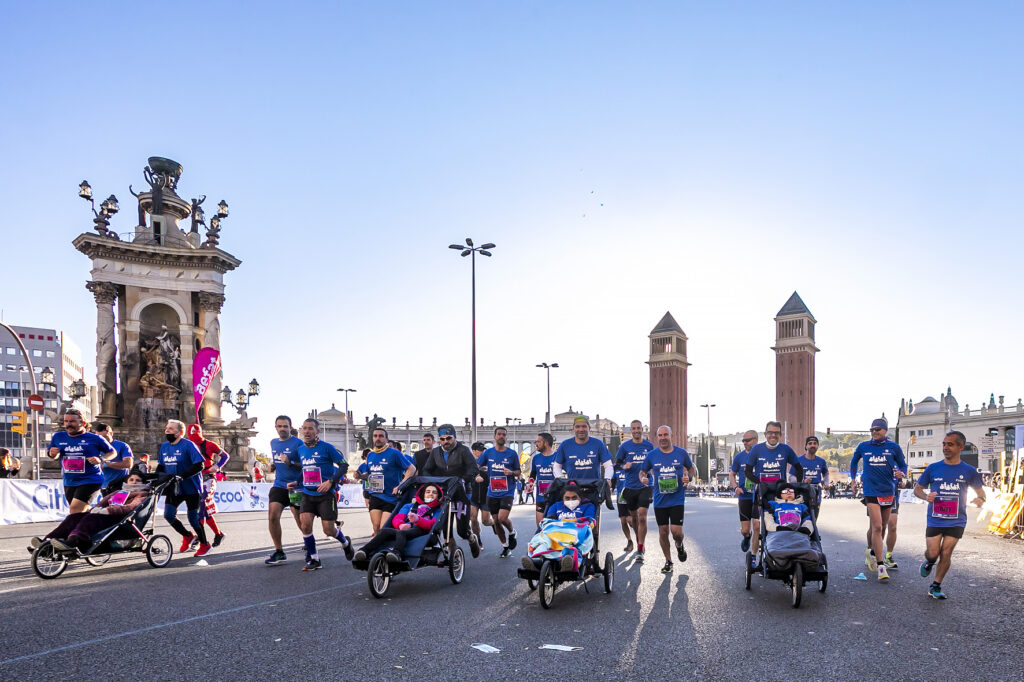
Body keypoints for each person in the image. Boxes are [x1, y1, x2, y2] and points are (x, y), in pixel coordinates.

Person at [914, 430, 986, 600]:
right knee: (933, 553)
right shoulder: (933, 468)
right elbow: (917, 489)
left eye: (950, 444)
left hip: (957, 520)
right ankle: (930, 562)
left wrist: (980, 500)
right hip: (935, 518)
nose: (946, 447)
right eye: (944, 444)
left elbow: (981, 493)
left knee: (946, 553)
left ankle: (936, 585)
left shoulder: (969, 471)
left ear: (960, 447)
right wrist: (926, 496)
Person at [290, 418, 354, 570]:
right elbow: (306, 469)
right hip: (307, 493)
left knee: (328, 530)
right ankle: (314, 559)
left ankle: (346, 543)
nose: (307, 431)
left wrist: (331, 481)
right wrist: (296, 481)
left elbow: (344, 465)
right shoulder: (300, 450)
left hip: (326, 494)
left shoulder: (327, 448)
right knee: (305, 526)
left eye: (310, 428)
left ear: (317, 431)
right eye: (304, 428)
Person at [849, 418, 907, 582]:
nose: (874, 432)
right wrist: (853, 481)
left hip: (888, 490)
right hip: (871, 490)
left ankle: (872, 552)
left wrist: (901, 474)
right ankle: (881, 565)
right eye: (872, 429)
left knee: (882, 528)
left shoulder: (893, 447)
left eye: (878, 429)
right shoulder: (863, 446)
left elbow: (903, 466)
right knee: (877, 526)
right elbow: (854, 463)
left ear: (885, 431)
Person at [34, 473, 150, 552]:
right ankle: (48, 542)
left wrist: (107, 510)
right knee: (74, 517)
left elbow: (130, 508)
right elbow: (102, 502)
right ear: (127, 481)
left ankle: (75, 540)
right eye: (131, 480)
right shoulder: (120, 492)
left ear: (142, 483)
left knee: (90, 519)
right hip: (104, 514)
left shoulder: (142, 494)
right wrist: (94, 510)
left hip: (120, 519)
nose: (134, 482)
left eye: (137, 480)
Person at [744, 421, 804, 567]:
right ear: (765, 434)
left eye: (776, 433)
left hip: (779, 495)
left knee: (781, 525)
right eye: (770, 432)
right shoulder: (756, 450)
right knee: (757, 527)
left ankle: (780, 554)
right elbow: (747, 471)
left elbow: (798, 468)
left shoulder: (786, 450)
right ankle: (753, 556)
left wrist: (797, 485)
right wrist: (759, 482)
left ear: (780, 435)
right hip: (761, 494)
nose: (773, 435)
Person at [640, 425, 696, 574]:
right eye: (660, 435)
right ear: (657, 437)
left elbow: (691, 469)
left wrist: (688, 478)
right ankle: (668, 561)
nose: (663, 438)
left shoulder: (681, 453)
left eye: (666, 435)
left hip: (677, 499)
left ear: (671, 436)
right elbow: (642, 472)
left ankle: (679, 545)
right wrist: (643, 479)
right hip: (660, 500)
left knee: (676, 532)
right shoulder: (651, 455)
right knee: (663, 531)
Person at [420, 424, 482, 555]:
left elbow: (473, 468)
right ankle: (453, 558)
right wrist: (433, 482)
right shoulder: (436, 452)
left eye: (448, 438)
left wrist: (463, 479)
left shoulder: (463, 450)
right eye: (442, 439)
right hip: (444, 492)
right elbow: (426, 469)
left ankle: (471, 538)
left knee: (462, 530)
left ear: (454, 437)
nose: (445, 442)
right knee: (446, 529)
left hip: (462, 493)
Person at [157, 419, 212, 557]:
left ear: (180, 432)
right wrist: (156, 477)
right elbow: (161, 466)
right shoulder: (164, 446)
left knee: (193, 518)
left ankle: (205, 544)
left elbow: (200, 465)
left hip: (191, 487)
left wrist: (182, 476)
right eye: (167, 428)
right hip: (173, 487)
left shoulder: (188, 445)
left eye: (171, 428)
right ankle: (188, 536)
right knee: (168, 515)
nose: (167, 430)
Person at [47, 409, 117, 514]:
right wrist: (52, 454)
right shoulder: (58, 437)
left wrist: (101, 459)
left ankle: (76, 530)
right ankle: (98, 520)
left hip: (91, 479)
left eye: (72, 421)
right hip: (69, 480)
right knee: (81, 512)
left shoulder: (95, 438)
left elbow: (112, 452)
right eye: (66, 421)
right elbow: (52, 454)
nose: (68, 424)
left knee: (75, 510)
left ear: (83, 423)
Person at [353, 483, 444, 563]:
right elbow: (397, 518)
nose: (431, 494)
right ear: (423, 494)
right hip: (404, 528)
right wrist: (400, 524)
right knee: (384, 531)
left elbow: (432, 524)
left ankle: (397, 554)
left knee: (401, 533)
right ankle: (364, 551)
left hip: (423, 531)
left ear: (438, 496)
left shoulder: (437, 510)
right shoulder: (409, 506)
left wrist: (418, 520)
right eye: (428, 492)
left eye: (434, 492)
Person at [353, 427, 416, 536]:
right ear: (372, 438)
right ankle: (378, 550)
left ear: (386, 439)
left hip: (391, 497)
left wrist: (401, 485)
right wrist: (359, 476)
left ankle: (387, 550)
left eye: (381, 436)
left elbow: (412, 469)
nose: (378, 438)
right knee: (376, 528)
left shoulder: (394, 453)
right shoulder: (370, 455)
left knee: (384, 528)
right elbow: (369, 474)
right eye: (375, 436)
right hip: (375, 495)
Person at [522, 484, 597, 573]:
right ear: (563, 498)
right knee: (543, 541)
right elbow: (548, 520)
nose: (571, 500)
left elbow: (589, 521)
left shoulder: (588, 506)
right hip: (555, 533)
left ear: (580, 497)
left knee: (573, 547)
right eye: (567, 498)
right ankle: (535, 562)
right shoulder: (556, 506)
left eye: (574, 498)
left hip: (574, 533)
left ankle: (569, 563)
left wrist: (568, 522)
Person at [476, 426, 521, 557]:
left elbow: (518, 472)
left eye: (504, 435)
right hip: (492, 492)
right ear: (495, 437)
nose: (501, 436)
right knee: (495, 521)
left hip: (507, 491)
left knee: (502, 518)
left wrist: (511, 472)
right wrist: (475, 474)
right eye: (499, 434)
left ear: (506, 438)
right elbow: (477, 466)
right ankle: (505, 546)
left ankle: (512, 532)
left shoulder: (512, 454)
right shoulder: (488, 453)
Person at [265, 415, 304, 565]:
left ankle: (309, 541)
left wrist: (290, 462)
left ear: (290, 427)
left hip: (296, 486)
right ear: (275, 428)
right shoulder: (273, 442)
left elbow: (304, 465)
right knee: (273, 516)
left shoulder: (298, 443)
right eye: (279, 426)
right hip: (279, 485)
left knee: (300, 519)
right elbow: (276, 458)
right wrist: (273, 465)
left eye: (285, 426)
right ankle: (279, 551)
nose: (282, 429)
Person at [614, 419, 654, 561]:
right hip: (630, 487)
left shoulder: (649, 446)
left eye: (639, 428)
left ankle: (640, 548)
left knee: (642, 516)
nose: (636, 431)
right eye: (634, 429)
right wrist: (624, 466)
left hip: (645, 486)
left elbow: (654, 464)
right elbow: (616, 465)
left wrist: (652, 475)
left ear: (642, 429)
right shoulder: (624, 447)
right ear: (630, 431)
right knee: (634, 519)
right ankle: (638, 541)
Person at [187, 423, 229, 548]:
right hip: (195, 479)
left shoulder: (210, 445)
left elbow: (225, 455)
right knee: (203, 510)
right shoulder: (187, 446)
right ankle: (218, 534)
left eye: (196, 432)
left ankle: (200, 538)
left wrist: (217, 466)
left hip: (208, 479)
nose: (194, 435)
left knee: (201, 504)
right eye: (191, 433)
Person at [552, 416, 613, 489]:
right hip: (573, 489)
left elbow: (608, 465)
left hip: (594, 488)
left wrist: (607, 479)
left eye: (584, 426)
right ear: (573, 429)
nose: (581, 429)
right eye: (577, 427)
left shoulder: (598, 444)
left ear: (589, 428)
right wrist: (560, 479)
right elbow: (557, 466)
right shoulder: (565, 445)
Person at [730, 430, 758, 552]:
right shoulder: (739, 457)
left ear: (756, 440)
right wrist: (736, 487)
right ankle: (747, 537)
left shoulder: (761, 455)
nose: (745, 443)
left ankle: (754, 554)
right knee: (745, 530)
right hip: (744, 496)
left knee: (757, 526)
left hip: (759, 496)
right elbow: (732, 474)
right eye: (743, 441)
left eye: (747, 440)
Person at [796, 436, 829, 521]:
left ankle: (813, 533)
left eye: (815, 443)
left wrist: (826, 483)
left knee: (814, 517)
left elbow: (826, 474)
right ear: (806, 446)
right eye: (810, 444)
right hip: (802, 491)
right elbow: (791, 477)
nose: (812, 445)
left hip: (816, 492)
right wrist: (803, 482)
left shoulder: (821, 461)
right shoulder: (798, 460)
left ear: (817, 446)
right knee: (803, 518)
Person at [528, 433, 557, 527]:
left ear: (546, 443)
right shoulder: (536, 458)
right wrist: (530, 483)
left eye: (538, 441)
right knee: (540, 527)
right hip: (540, 497)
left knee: (553, 527)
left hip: (555, 498)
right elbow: (533, 474)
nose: (536, 444)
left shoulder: (557, 457)